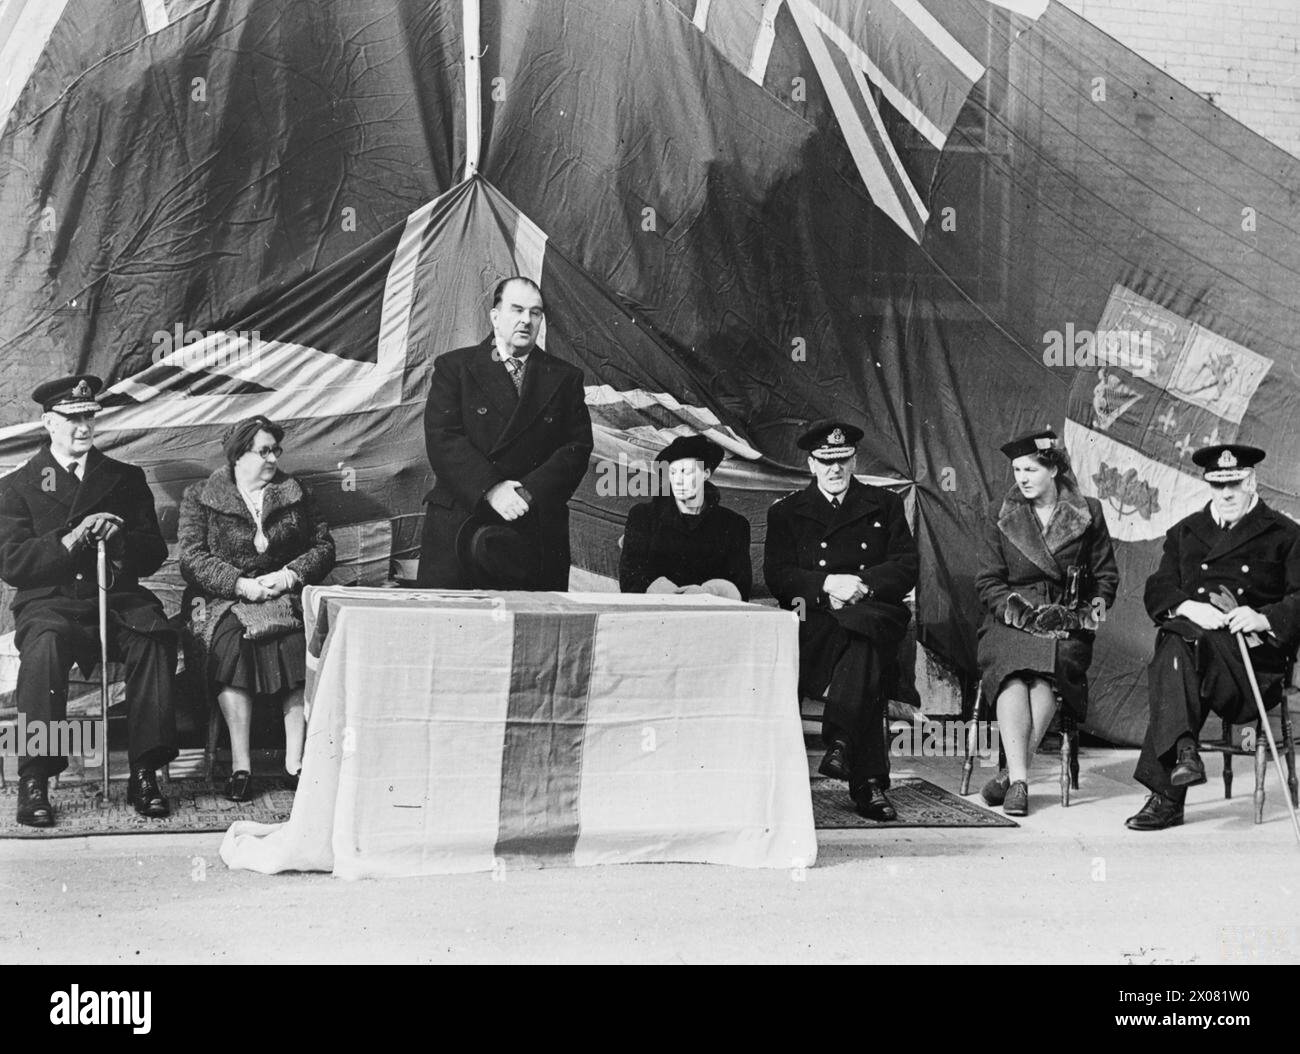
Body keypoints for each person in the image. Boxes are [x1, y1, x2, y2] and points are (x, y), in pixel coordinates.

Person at [0, 375, 178, 826]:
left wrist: (119, 541)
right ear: (48, 423)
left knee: (154, 635)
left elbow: (154, 552)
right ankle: (35, 779)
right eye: (73, 418)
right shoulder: (17, 486)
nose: (83, 427)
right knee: (42, 649)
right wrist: (72, 537)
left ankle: (145, 772)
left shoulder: (124, 477)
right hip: (51, 603)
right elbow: (13, 564)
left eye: (89, 417)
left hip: (116, 597)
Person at [1126, 443, 1300, 830]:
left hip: (1252, 663)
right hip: (1197, 651)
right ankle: (1183, 757)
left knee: (1177, 643)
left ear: (1252, 482)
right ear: (1208, 485)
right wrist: (1190, 608)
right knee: (1181, 639)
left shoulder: (1284, 534)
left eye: (1235, 484)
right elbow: (1158, 589)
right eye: (1218, 485)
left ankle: (1170, 792)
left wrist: (1263, 617)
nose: (1226, 494)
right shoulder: (1186, 532)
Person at [764, 420, 918, 820]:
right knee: (863, 648)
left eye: (843, 460)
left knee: (865, 633)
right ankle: (865, 779)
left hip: (874, 610)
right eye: (825, 461)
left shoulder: (883, 504)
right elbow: (778, 577)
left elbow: (906, 566)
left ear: (854, 460)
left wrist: (862, 584)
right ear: (811, 464)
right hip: (816, 618)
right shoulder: (787, 512)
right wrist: (827, 584)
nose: (835, 469)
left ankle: (841, 742)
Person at [178, 416, 335, 802]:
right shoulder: (201, 496)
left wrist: (288, 576)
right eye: (263, 451)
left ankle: (295, 764)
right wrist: (239, 584)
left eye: (275, 450)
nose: (272, 458)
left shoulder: (294, 491)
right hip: (222, 597)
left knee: (299, 644)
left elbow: (324, 546)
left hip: (283, 594)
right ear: (237, 456)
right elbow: (192, 558)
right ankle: (241, 766)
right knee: (232, 645)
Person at [974, 428, 1119, 816]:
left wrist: (1088, 612)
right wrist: (1021, 614)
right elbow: (988, 580)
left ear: (1054, 468)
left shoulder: (1088, 512)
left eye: (1031, 470)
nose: (1021, 478)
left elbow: (1105, 578)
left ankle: (1009, 779)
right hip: (1010, 618)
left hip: (1065, 619)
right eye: (1017, 470)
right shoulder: (999, 512)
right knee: (1011, 673)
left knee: (1043, 676)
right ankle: (1021, 780)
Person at [418, 276, 593, 589]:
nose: (526, 320)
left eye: (535, 313)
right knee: (452, 632)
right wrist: (492, 489)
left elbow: (576, 448)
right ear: (495, 316)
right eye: (517, 310)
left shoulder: (565, 377)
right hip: (461, 518)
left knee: (532, 634)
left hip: (533, 524)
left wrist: (525, 493)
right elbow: (443, 439)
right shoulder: (454, 368)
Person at [618, 435, 751, 600]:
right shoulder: (643, 517)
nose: (679, 480)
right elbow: (630, 578)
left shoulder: (734, 525)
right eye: (672, 472)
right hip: (655, 615)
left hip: (711, 618)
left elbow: (741, 586)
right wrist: (659, 589)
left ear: (706, 473)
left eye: (686, 472)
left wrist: (709, 592)